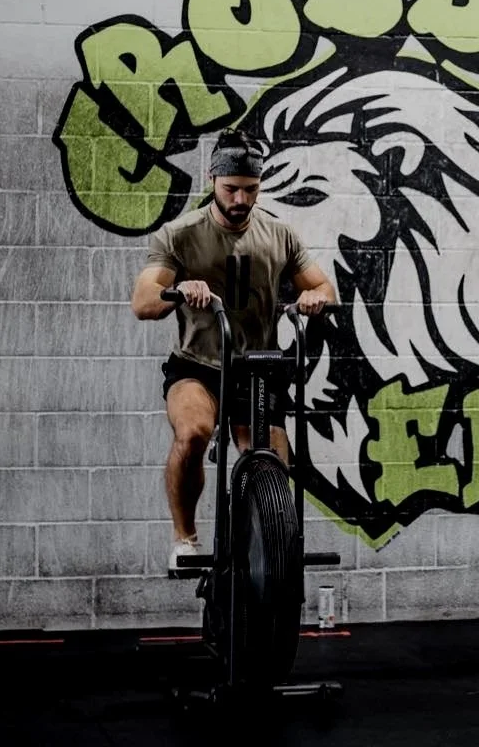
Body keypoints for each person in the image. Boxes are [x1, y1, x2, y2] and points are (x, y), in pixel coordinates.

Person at [130, 127, 337, 573]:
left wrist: (314, 297)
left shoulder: (279, 234)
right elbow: (143, 303)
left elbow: (324, 286)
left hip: (257, 370)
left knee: (272, 468)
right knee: (193, 434)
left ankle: (259, 553)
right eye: (231, 190)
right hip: (197, 366)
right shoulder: (180, 234)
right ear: (212, 181)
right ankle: (185, 538)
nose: (240, 200)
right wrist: (180, 289)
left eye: (250, 190)